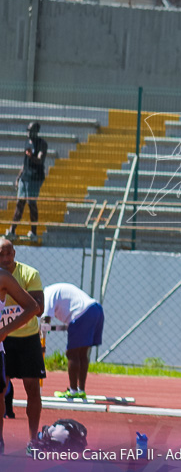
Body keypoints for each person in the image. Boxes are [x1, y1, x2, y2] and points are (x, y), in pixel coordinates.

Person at [0, 237, 44, 443]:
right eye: (1, 254)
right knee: (0, 389)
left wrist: (9, 322)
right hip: (3, 341)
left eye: (9, 253)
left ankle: (33, 439)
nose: (6, 258)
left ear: (14, 254)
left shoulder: (29, 274)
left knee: (32, 388)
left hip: (27, 338)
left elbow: (38, 308)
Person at [43, 283, 104, 399]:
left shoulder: (47, 294)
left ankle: (73, 391)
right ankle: (81, 390)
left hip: (82, 313)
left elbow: (46, 319)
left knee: (72, 353)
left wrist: (41, 336)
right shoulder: (54, 290)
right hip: (96, 309)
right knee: (81, 354)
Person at [6, 122, 48, 242]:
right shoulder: (27, 142)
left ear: (36, 131)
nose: (28, 133)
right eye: (27, 130)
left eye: (31, 131)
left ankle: (33, 233)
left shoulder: (42, 144)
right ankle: (12, 230)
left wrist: (31, 156)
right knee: (20, 203)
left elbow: (40, 160)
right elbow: (25, 163)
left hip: (35, 178)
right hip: (25, 177)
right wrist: (18, 177)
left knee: (31, 203)